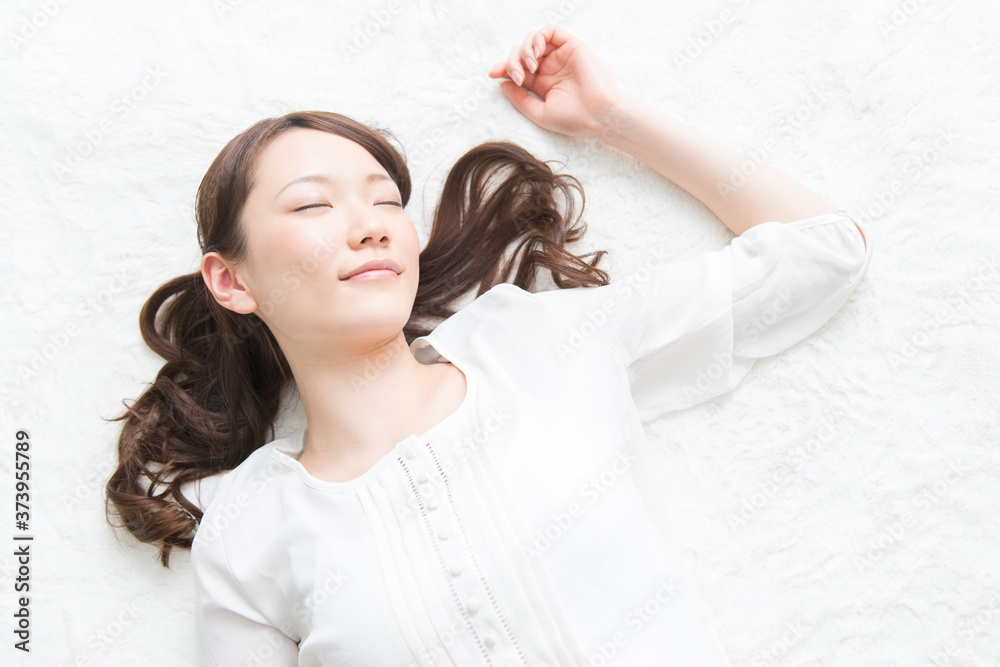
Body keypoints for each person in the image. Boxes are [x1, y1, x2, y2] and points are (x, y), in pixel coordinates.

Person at [104, 24, 871, 666]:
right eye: (312, 205)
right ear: (231, 280)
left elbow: (822, 252)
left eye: (386, 200)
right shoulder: (253, 528)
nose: (370, 225)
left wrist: (609, 117)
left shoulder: (538, 347)